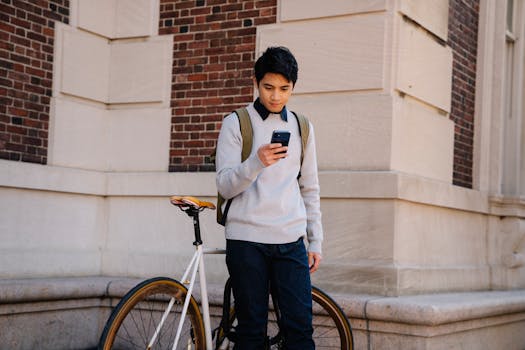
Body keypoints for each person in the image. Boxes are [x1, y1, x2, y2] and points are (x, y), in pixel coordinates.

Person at [215, 46, 323, 349]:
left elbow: (310, 188)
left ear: (293, 88)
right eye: (268, 87)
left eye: (284, 89)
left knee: (301, 331)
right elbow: (225, 185)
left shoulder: (302, 127)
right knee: (251, 332)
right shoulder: (236, 123)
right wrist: (255, 162)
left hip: (290, 239)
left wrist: (315, 241)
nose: (276, 96)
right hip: (246, 240)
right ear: (256, 82)